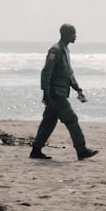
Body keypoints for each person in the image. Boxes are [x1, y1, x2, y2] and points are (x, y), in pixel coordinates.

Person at [30, 23, 98, 160]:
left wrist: (77, 89)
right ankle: (81, 149)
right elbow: (46, 72)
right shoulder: (55, 50)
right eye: (73, 34)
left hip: (59, 92)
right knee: (72, 119)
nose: (75, 36)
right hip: (56, 94)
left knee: (48, 122)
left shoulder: (65, 50)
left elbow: (69, 73)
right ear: (65, 34)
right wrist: (45, 92)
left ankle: (36, 150)